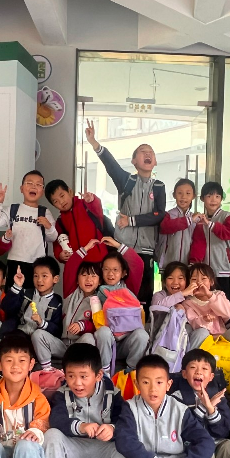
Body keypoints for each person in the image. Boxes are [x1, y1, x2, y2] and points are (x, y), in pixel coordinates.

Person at [85, 120, 165, 314]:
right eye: (142, 152)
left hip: (146, 250)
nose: (147, 154)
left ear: (155, 162)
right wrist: (94, 143)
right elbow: (111, 165)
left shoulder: (159, 186)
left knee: (143, 297)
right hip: (122, 247)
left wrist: (131, 220)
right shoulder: (126, 181)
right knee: (117, 294)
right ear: (134, 161)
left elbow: (159, 216)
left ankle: (141, 329)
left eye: (151, 152)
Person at [181, 263, 230, 388]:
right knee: (201, 332)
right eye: (194, 279)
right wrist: (204, 320)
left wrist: (209, 296)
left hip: (222, 336)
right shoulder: (188, 302)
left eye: (203, 279)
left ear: (211, 282)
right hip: (204, 337)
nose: (199, 282)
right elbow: (193, 322)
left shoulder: (218, 295)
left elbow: (228, 313)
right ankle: (190, 372)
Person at [0, 172, 58, 288]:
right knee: (14, 294)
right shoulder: (13, 209)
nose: (34, 186)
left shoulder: (44, 212)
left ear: (42, 192)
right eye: (29, 183)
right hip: (15, 261)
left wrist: (48, 226)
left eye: (38, 185)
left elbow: (53, 237)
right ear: (21, 188)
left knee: (34, 295)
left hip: (37, 264)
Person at [92, 238, 149, 376]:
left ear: (124, 272)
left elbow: (138, 263)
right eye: (106, 269)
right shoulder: (96, 288)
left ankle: (131, 372)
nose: (110, 274)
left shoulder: (129, 288)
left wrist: (118, 246)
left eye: (115, 270)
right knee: (103, 332)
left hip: (126, 343)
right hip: (105, 343)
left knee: (142, 335)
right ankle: (104, 374)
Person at [32, 260, 100, 375]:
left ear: (100, 281)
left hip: (78, 346)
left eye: (93, 276)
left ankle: (79, 371)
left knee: (89, 338)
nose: (88, 279)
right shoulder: (70, 293)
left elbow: (98, 325)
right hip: (61, 345)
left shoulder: (99, 299)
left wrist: (82, 325)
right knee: (38, 334)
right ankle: (48, 371)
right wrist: (85, 250)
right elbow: (70, 266)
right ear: (77, 280)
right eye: (84, 275)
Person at [45, 180, 109, 293]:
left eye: (62, 196)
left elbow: (97, 208)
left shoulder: (86, 205)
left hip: (99, 261)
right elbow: (57, 241)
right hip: (78, 264)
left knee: (102, 294)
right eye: (56, 201)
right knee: (80, 297)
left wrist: (91, 200)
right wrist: (60, 255)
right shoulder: (60, 221)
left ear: (70, 192)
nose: (61, 202)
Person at [2, 256, 64, 350]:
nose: (39, 280)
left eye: (44, 276)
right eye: (36, 276)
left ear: (55, 279)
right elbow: (7, 308)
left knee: (37, 336)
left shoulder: (56, 302)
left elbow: (57, 330)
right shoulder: (26, 294)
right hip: (21, 335)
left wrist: (42, 323)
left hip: (41, 340)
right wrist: (17, 287)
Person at [189, 181, 230, 296]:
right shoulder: (199, 220)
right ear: (202, 198)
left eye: (217, 196)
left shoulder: (226, 216)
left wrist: (210, 224)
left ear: (221, 199)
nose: (213, 200)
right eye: (209, 196)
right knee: (206, 299)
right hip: (205, 272)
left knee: (223, 299)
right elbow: (198, 243)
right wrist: (194, 263)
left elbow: (229, 233)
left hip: (223, 268)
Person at [157, 178, 200, 268]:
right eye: (180, 193)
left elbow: (198, 243)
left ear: (193, 196)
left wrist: (193, 262)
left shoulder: (197, 220)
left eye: (188, 193)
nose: (183, 197)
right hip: (167, 265)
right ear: (174, 195)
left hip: (188, 266)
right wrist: (189, 220)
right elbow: (166, 227)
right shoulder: (167, 215)